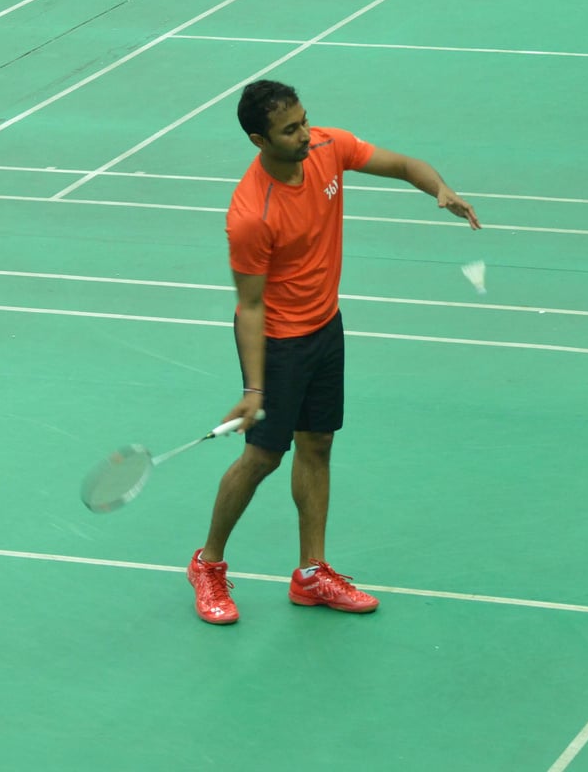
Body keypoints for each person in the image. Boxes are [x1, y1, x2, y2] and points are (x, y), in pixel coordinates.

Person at [188, 80, 481, 624]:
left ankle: (311, 573)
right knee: (262, 458)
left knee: (317, 444)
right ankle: (207, 564)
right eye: (289, 129)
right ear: (259, 139)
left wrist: (438, 189)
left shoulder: (327, 146)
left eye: (304, 120)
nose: (304, 134)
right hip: (279, 342)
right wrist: (253, 389)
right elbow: (247, 306)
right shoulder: (253, 213)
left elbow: (402, 164)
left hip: (326, 326)